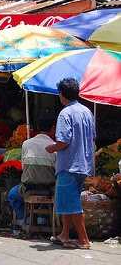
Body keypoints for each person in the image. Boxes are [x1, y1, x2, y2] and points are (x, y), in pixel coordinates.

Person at [46, 78, 96, 250]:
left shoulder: (65, 114)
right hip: (84, 164)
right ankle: (64, 234)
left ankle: (84, 240)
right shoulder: (87, 111)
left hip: (69, 164)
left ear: (62, 94)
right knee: (67, 200)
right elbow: (92, 137)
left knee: (72, 203)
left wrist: (51, 148)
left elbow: (63, 142)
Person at [7, 118, 56, 226]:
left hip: (28, 189)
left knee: (11, 195)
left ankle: (23, 219)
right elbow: (57, 171)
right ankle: (42, 218)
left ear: (37, 128)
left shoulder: (26, 144)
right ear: (53, 128)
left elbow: (24, 167)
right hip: (49, 189)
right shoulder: (55, 146)